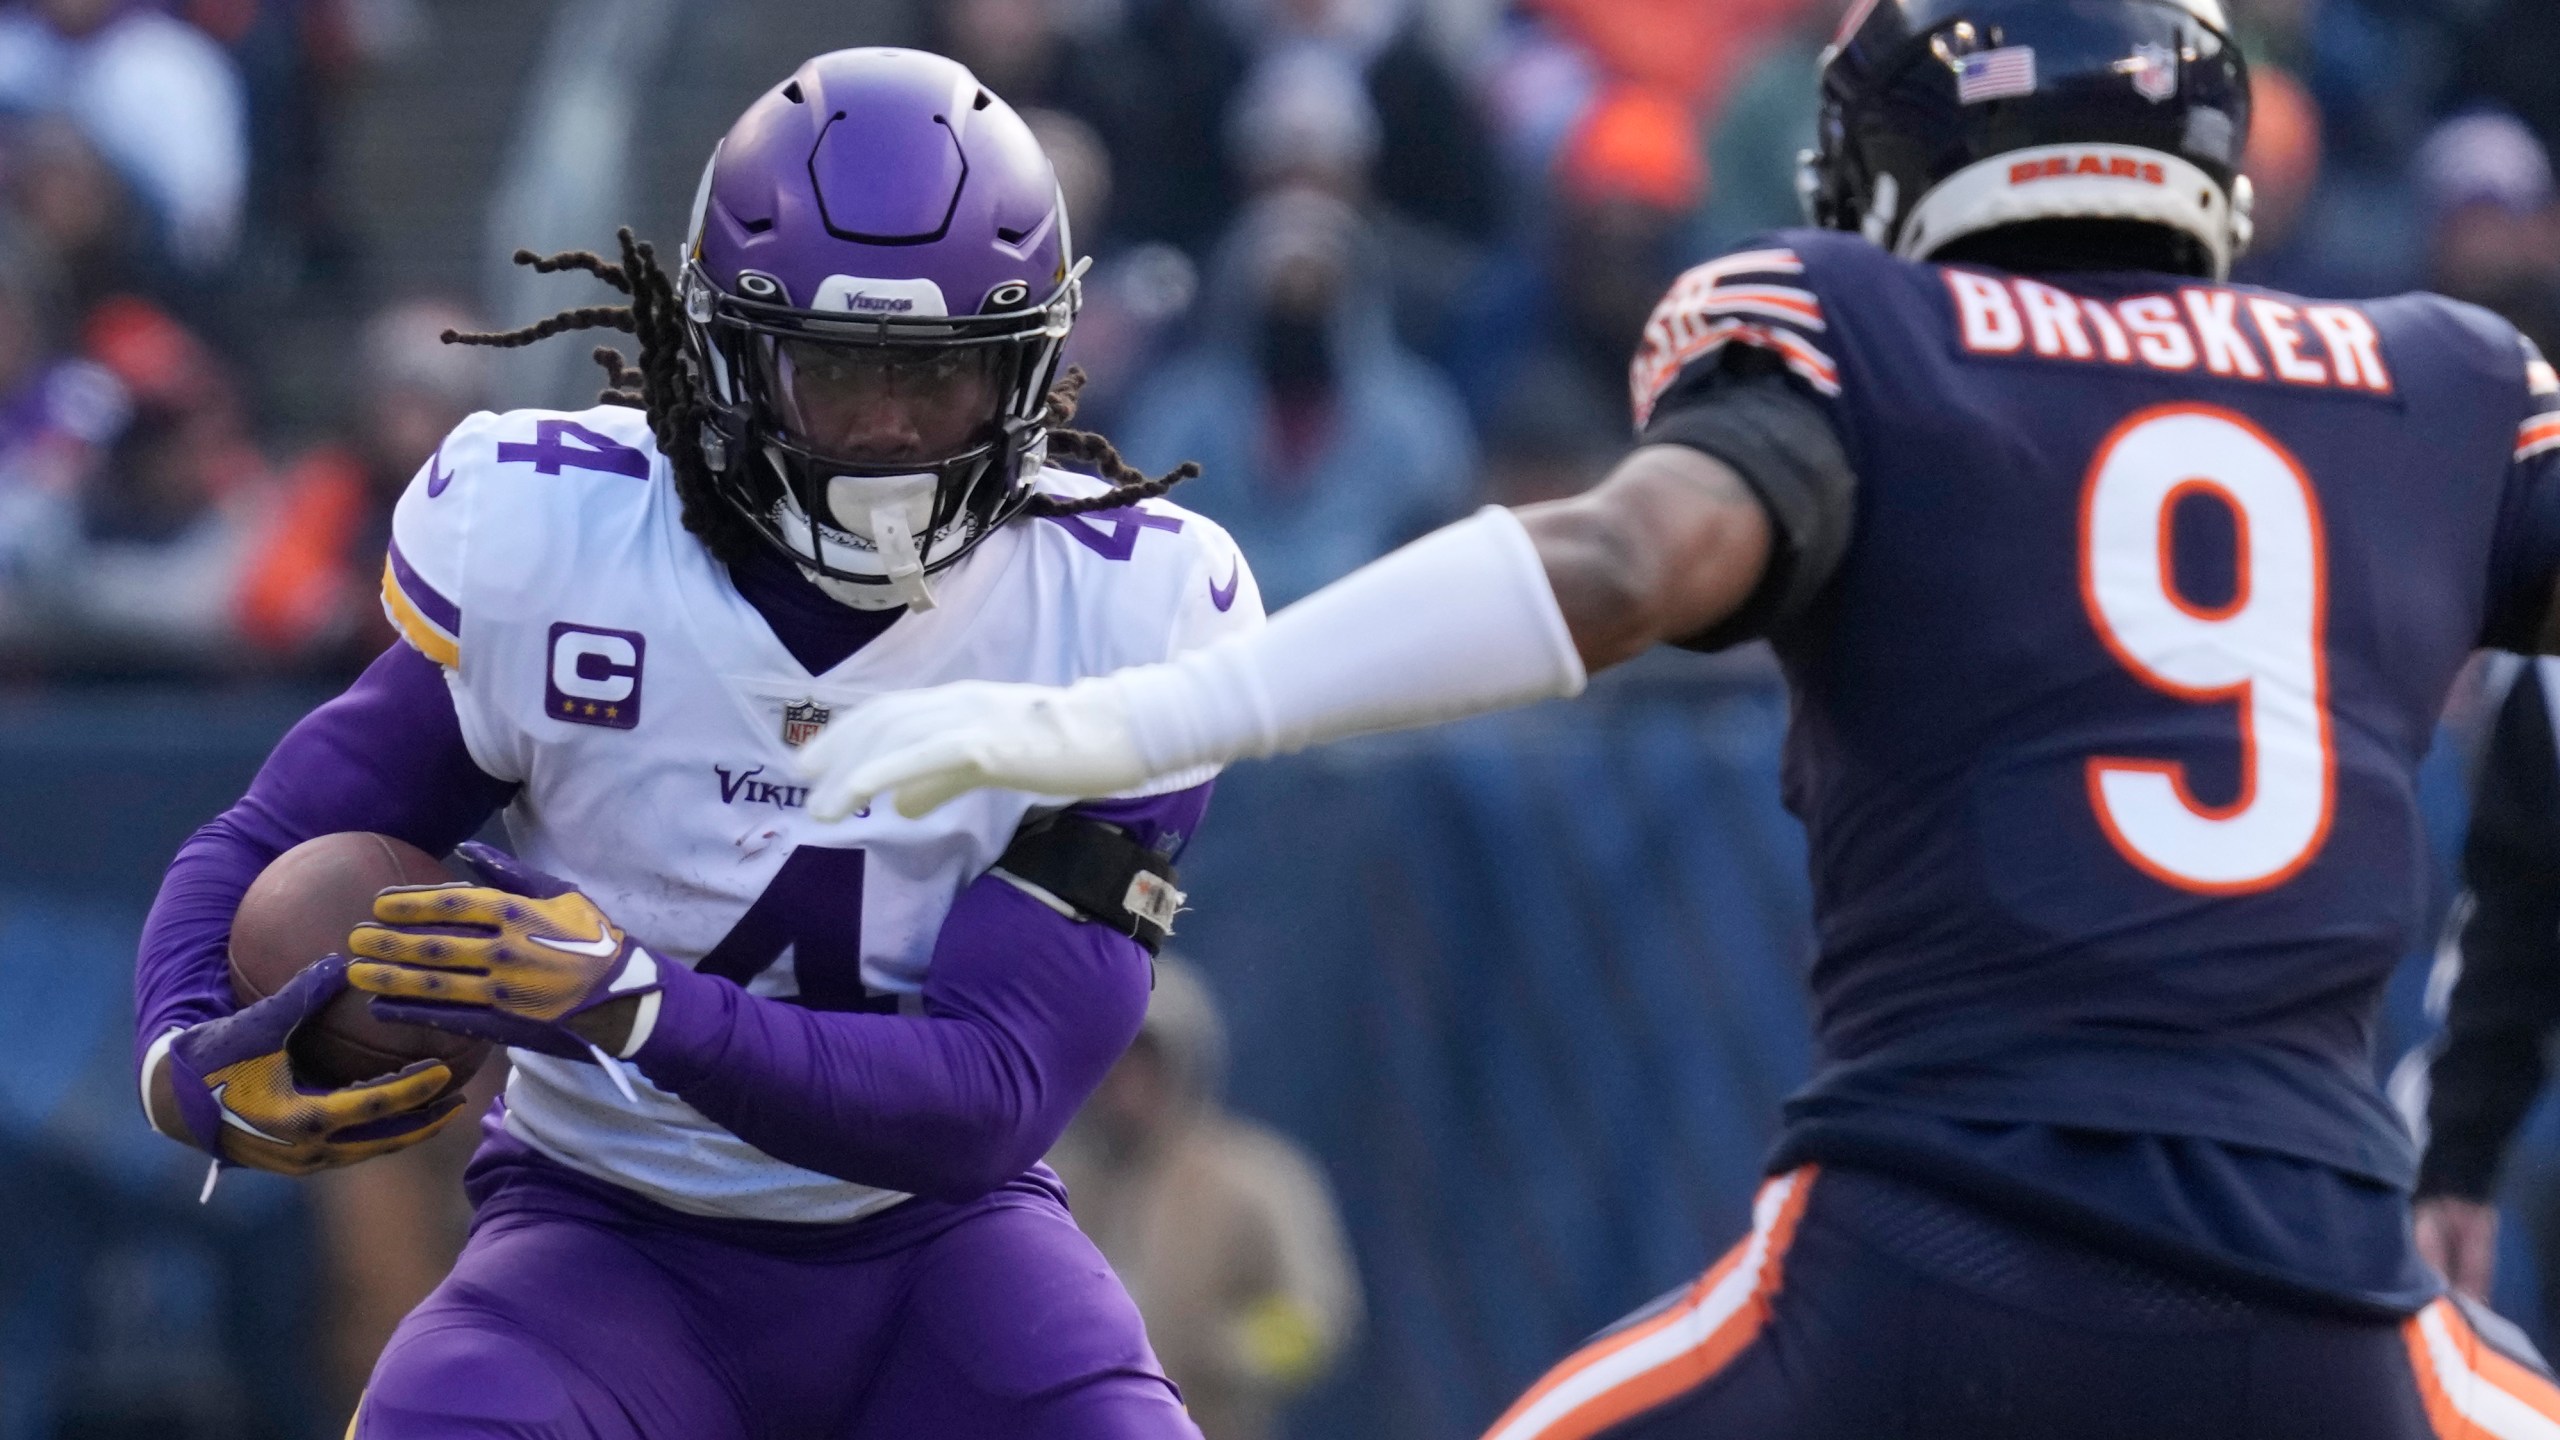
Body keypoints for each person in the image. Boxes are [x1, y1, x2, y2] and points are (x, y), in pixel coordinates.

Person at [797, 2, 2560, 1434]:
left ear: (1890, 181)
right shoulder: (2445, 382)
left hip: (1920, 1268)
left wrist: (1156, 712)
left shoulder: (1861, 330)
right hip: (2331, 1297)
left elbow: (1640, 558)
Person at [130, 47, 1261, 1439]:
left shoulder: (1126, 605)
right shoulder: (560, 540)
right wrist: (182, 1044)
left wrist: (631, 999)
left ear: (1033, 368)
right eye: (839, 375)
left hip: (943, 1258)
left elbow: (988, 1097)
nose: (893, 435)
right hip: (606, 1241)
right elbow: (273, 842)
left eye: (946, 380)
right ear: (725, 350)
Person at [1051, 958, 1362, 1440]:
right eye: (1113, 1061)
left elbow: (1316, 1318)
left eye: (1144, 1062)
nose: (1126, 1086)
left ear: (1182, 1062)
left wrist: (1231, 1350)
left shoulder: (1255, 1180)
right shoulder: (1053, 1185)